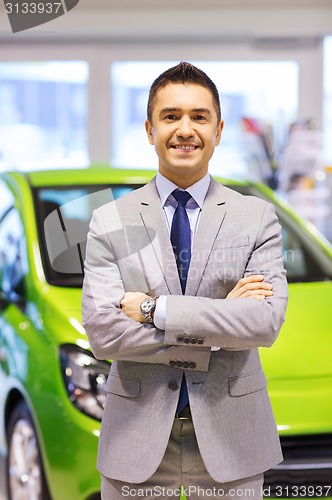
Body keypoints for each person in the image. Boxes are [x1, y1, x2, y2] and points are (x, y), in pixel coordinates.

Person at [82, 62, 288, 500]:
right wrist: (217, 329)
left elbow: (263, 324)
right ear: (149, 128)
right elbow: (103, 333)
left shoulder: (256, 217)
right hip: (134, 442)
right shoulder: (109, 220)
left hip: (234, 440)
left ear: (218, 129)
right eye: (170, 116)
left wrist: (154, 310)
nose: (185, 129)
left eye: (199, 116)